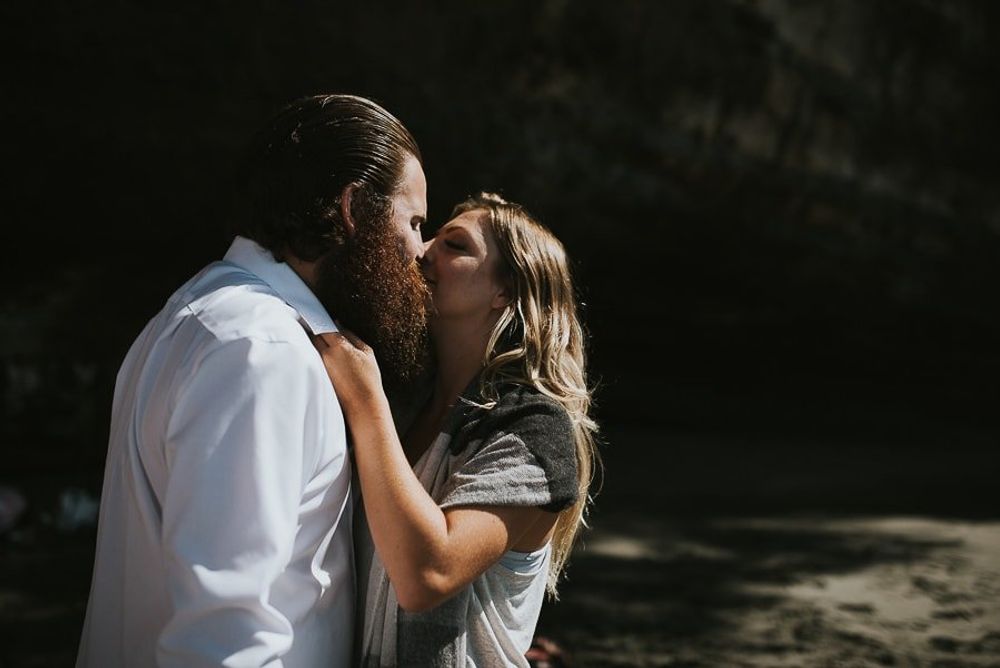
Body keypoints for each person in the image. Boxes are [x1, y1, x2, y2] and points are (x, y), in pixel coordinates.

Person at [76, 94, 431, 667]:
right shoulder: (261, 350)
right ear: (352, 208)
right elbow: (223, 637)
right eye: (412, 222)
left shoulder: (204, 314)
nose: (420, 250)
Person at [313, 192, 600, 667]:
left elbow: (428, 575)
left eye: (455, 245)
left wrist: (365, 402)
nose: (422, 251)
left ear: (505, 291)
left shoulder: (532, 428)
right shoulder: (408, 401)